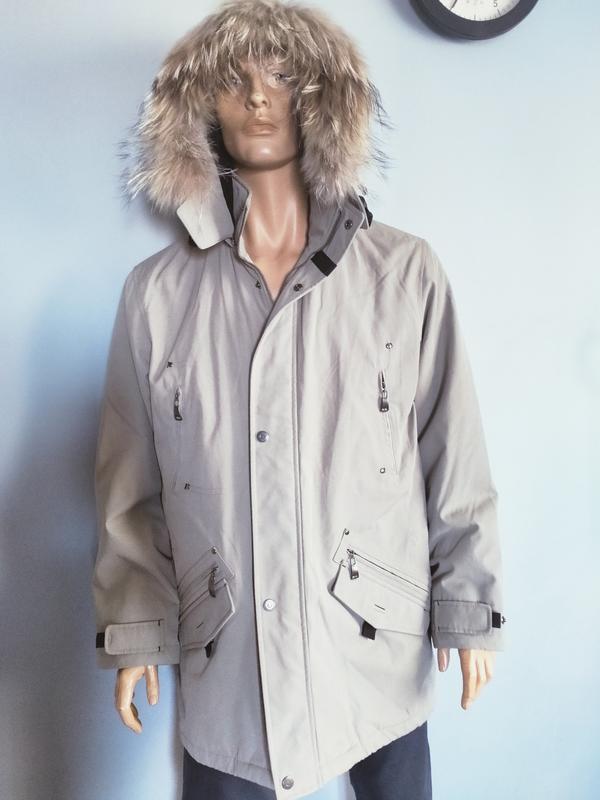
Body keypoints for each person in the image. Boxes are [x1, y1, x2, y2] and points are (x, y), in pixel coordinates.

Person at [92, 1, 507, 798]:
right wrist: (136, 631)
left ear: (321, 98)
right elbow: (128, 491)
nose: (258, 95)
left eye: (281, 75)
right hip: (229, 658)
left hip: (376, 641)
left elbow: (453, 455)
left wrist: (469, 606)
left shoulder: (403, 274)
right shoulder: (155, 296)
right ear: (199, 107)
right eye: (234, 78)